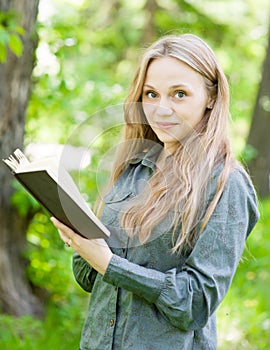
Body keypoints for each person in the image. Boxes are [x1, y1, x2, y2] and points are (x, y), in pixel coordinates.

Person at [51, 33, 260, 350]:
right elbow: (89, 280)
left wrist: (110, 264)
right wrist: (81, 238)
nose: (162, 109)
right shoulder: (133, 167)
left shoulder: (225, 183)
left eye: (179, 94)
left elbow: (198, 303)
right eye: (151, 94)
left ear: (211, 97)